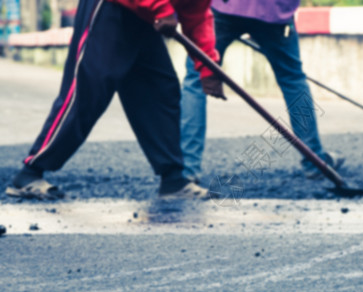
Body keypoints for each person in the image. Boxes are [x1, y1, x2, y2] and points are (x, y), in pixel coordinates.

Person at [5, 0, 225, 200]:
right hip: (111, 8)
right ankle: (29, 174)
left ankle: (173, 181)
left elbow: (197, 15)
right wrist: (161, 7)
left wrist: (208, 69)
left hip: (146, 16)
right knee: (88, 91)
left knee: (159, 90)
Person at [180, 0, 344, 182]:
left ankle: (188, 169)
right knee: (293, 79)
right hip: (274, 11)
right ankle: (315, 161)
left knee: (196, 79)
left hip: (224, 7)